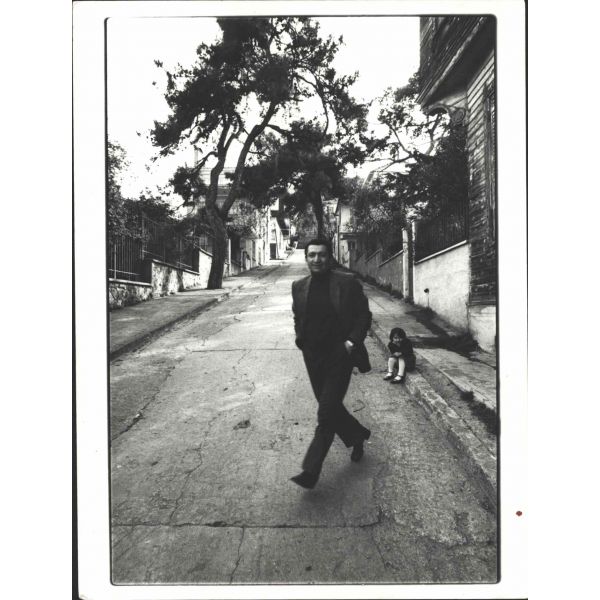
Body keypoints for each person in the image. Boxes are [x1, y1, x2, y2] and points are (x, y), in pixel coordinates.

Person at [290, 238, 372, 489]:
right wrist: (301, 340)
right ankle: (357, 435)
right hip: (312, 357)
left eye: (322, 255)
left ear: (330, 257)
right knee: (332, 408)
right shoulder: (298, 286)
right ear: (306, 258)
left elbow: (364, 315)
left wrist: (350, 342)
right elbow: (298, 316)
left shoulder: (347, 283)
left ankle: (311, 470)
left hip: (339, 356)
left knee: (325, 413)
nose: (317, 259)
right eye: (312, 255)